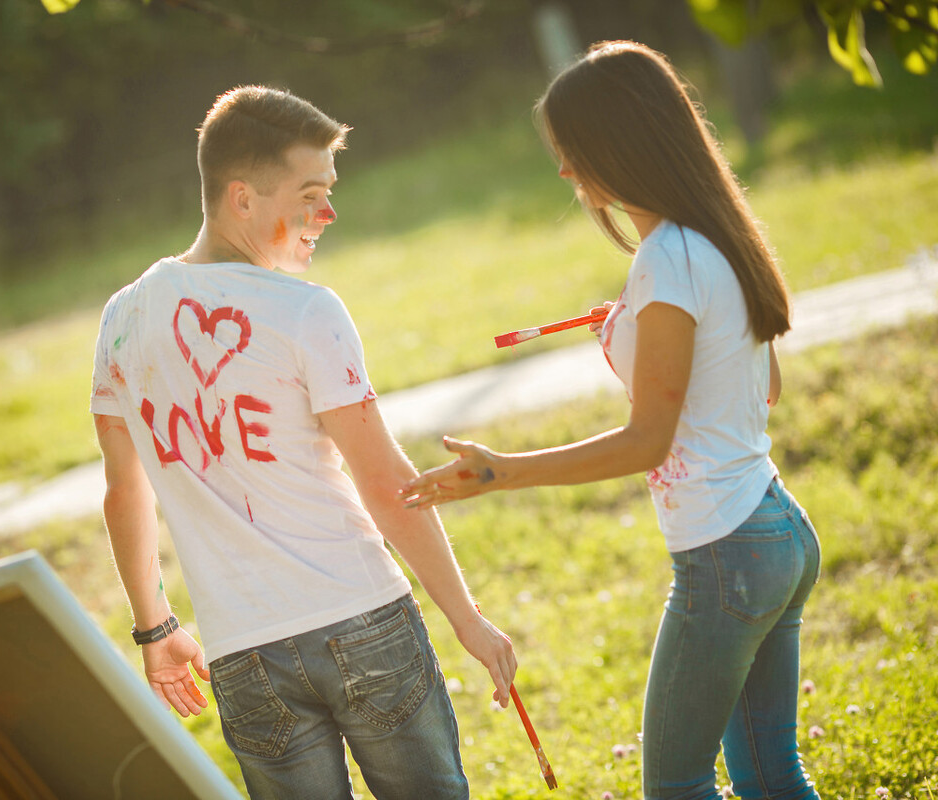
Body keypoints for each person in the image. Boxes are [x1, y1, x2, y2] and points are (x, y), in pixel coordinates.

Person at [401, 41, 822, 800]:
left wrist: (502, 473)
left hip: (726, 551)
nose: (564, 172)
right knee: (767, 773)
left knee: (678, 784)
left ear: (617, 146)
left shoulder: (667, 258)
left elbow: (649, 441)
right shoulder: (713, 238)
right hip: (775, 528)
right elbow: (763, 387)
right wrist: (634, 331)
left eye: (572, 153)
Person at [90, 85, 516, 800]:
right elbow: (386, 482)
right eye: (310, 193)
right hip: (363, 623)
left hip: (241, 654)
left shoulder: (121, 320)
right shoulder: (305, 310)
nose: (329, 214)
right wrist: (466, 619)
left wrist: (153, 627)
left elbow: (122, 489)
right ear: (243, 199)